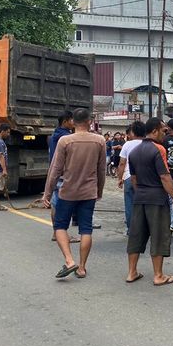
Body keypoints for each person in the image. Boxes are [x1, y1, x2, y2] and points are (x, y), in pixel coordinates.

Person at [42, 108, 106, 279]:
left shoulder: (65, 141)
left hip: (67, 192)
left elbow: (55, 170)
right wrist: (99, 191)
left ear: (74, 122)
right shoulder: (100, 141)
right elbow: (101, 170)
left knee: (60, 226)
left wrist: (47, 193)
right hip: (88, 192)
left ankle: (70, 261)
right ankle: (82, 267)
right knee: (86, 229)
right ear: (88, 121)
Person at [126, 117, 173, 286]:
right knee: (159, 236)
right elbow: (165, 177)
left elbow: (134, 179)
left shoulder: (134, 151)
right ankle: (158, 275)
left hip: (140, 198)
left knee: (136, 235)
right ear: (154, 131)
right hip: (157, 199)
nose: (165, 135)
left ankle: (132, 272)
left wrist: (142, 193)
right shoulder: (158, 149)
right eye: (163, 131)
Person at [48, 111, 79, 244]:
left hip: (55, 172)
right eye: (72, 120)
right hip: (64, 174)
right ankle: (62, 234)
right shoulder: (66, 137)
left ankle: (56, 233)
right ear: (65, 121)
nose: (74, 123)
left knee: (55, 203)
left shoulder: (54, 135)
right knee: (63, 205)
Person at [116, 121, 146, 235]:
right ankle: (143, 229)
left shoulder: (127, 145)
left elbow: (122, 164)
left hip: (128, 177)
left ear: (133, 132)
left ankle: (131, 229)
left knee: (129, 205)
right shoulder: (148, 144)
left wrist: (120, 178)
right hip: (145, 179)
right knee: (143, 204)